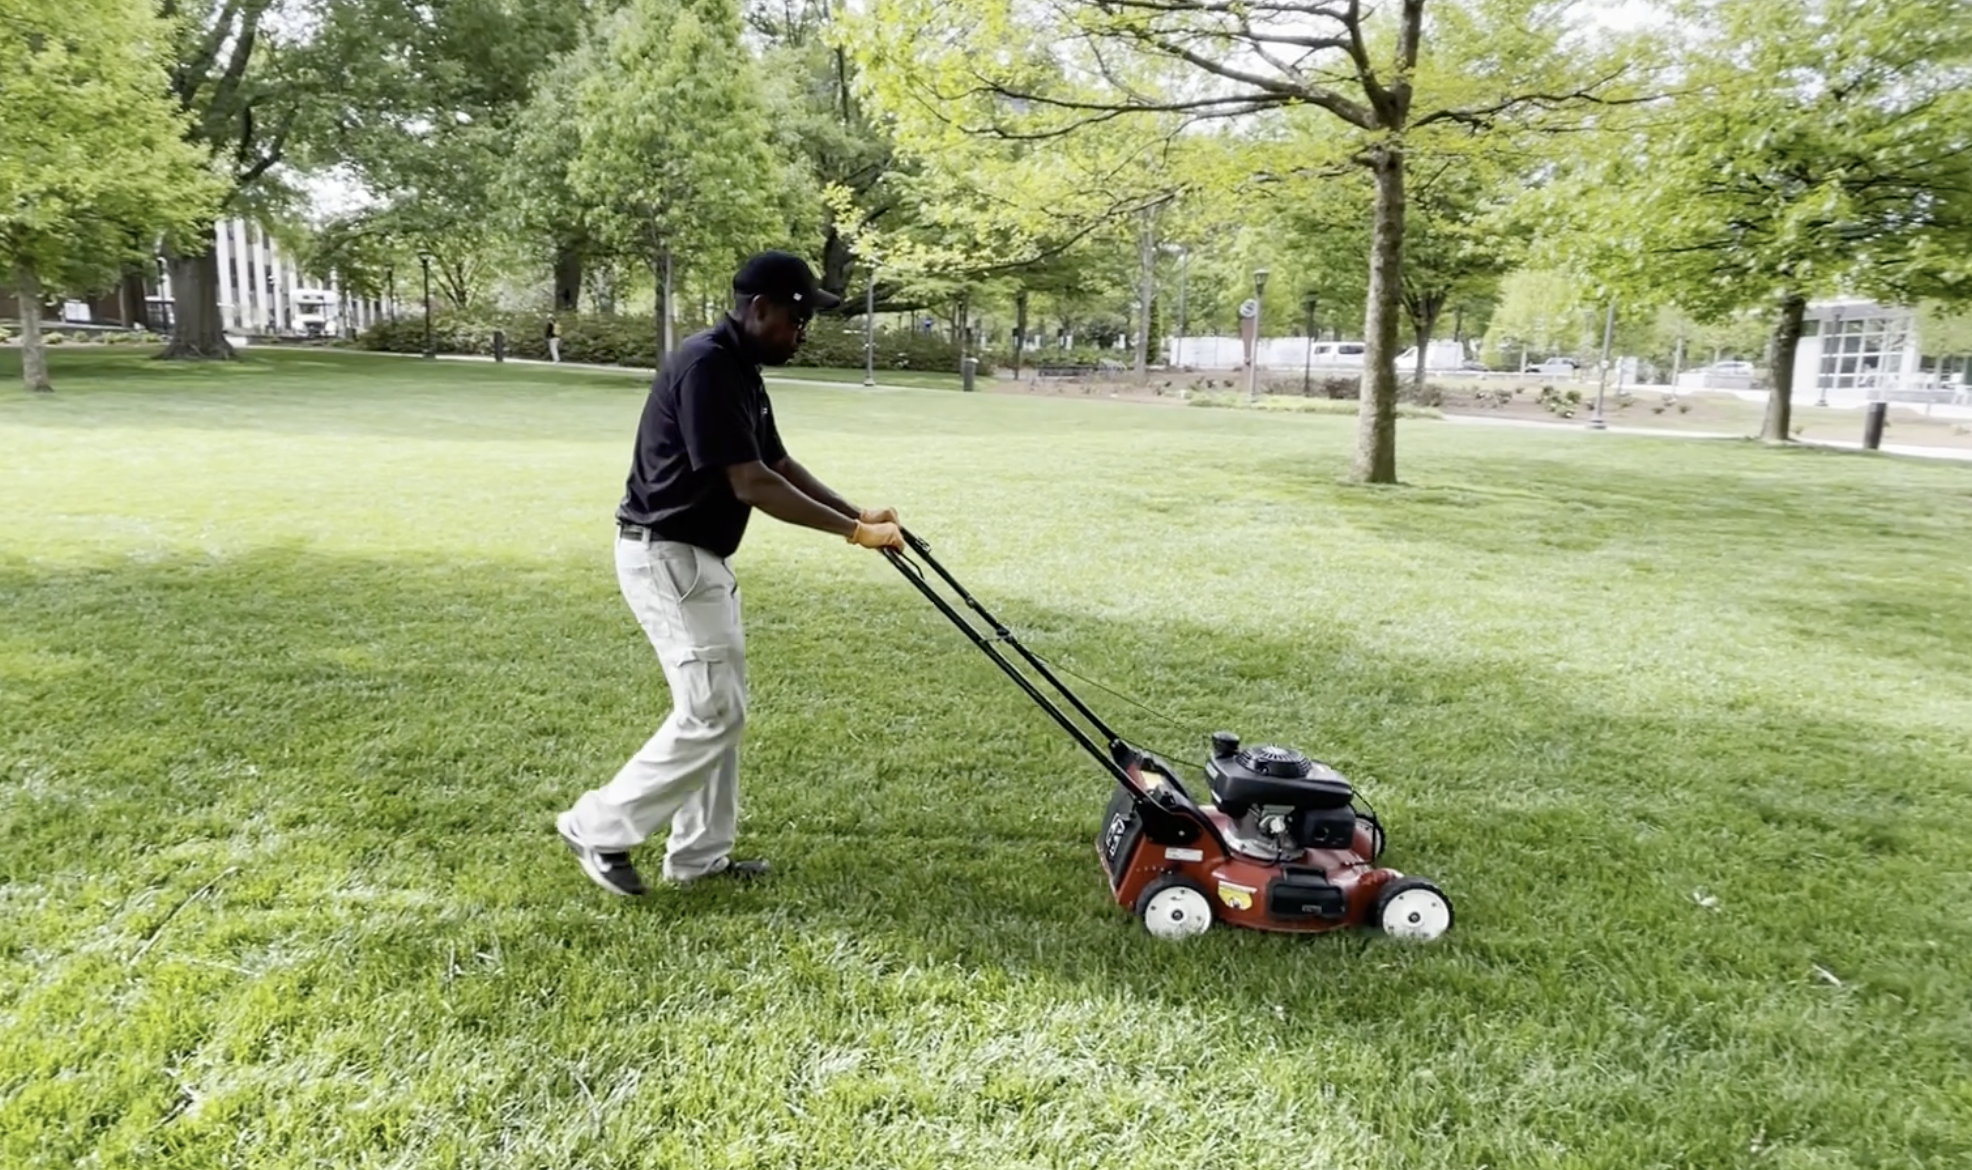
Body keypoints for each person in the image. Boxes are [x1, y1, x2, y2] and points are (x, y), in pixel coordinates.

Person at [556, 250, 904, 896]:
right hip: (667, 554)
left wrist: (857, 512)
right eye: (797, 319)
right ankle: (597, 826)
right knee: (714, 709)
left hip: (696, 558)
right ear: (758, 309)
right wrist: (852, 532)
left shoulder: (740, 368)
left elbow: (776, 463)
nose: (802, 333)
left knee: (718, 707)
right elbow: (750, 485)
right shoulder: (707, 367)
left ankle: (698, 858)